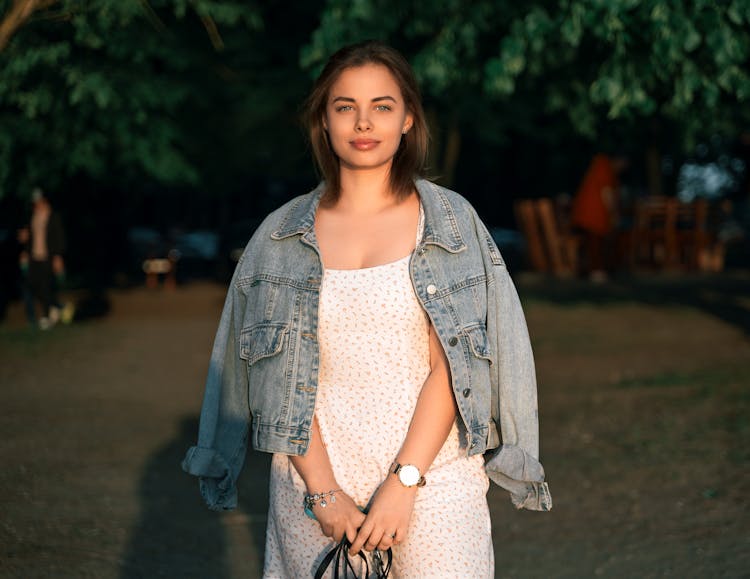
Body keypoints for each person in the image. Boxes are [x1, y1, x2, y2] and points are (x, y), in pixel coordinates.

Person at [183, 41, 550, 578]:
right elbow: (271, 372)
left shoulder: (450, 223)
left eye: (382, 105)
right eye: (344, 106)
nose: (363, 122)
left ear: (407, 120)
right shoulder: (279, 237)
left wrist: (403, 485)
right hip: (314, 483)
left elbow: (458, 364)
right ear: (323, 122)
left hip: (434, 478)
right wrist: (324, 493)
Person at [570, 152, 629, 281]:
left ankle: (597, 269)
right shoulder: (604, 167)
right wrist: (613, 212)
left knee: (595, 241)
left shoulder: (600, 166)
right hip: (592, 214)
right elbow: (606, 192)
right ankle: (596, 270)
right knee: (596, 241)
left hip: (588, 213)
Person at [19, 188, 67, 329]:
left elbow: (59, 237)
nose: (37, 204)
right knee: (32, 284)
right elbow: (29, 236)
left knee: (45, 286)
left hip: (48, 256)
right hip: (34, 256)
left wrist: (58, 257)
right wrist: (25, 251)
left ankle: (46, 316)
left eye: (39, 201)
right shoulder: (32, 216)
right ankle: (57, 307)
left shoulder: (53, 216)